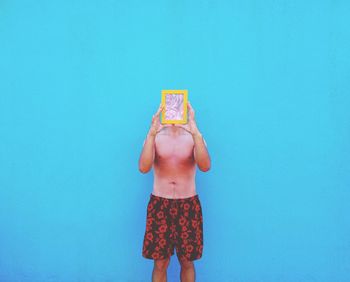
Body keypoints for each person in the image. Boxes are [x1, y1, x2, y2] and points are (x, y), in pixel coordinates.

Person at [138, 101, 211, 282]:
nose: (174, 111)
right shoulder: (155, 136)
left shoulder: (194, 137)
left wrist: (195, 131)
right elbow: (143, 167)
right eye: (170, 105)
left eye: (178, 105)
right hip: (160, 205)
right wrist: (152, 132)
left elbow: (205, 166)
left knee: (187, 262)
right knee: (160, 263)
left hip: (188, 205)